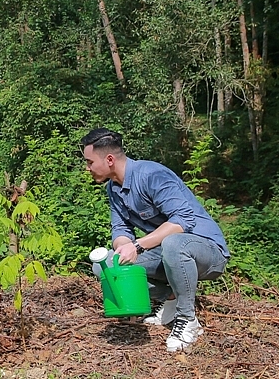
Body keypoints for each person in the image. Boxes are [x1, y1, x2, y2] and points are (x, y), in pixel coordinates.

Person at [80, 128, 229, 352]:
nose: (87, 168)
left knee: (174, 243)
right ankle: (169, 298)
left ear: (109, 159)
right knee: (106, 267)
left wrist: (138, 246)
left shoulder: (151, 175)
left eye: (90, 162)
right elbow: (121, 229)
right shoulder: (114, 187)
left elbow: (182, 221)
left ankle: (188, 320)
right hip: (167, 254)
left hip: (206, 252)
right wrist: (123, 249)